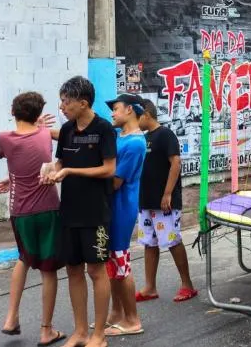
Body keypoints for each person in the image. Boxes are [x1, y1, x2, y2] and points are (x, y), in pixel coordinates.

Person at [45, 76, 117, 347]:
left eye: (66, 101)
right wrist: (51, 172)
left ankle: (98, 333)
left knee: (96, 271)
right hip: (70, 210)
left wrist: (71, 171)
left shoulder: (104, 129)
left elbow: (109, 169)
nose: (62, 106)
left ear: (83, 103)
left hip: (96, 211)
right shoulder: (66, 130)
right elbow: (61, 160)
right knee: (73, 270)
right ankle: (80, 331)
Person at [0, 92, 66, 345]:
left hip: (20, 211)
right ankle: (46, 330)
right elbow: (45, 149)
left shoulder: (3, 137)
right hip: (48, 208)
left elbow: (11, 158)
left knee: (23, 258)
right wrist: (40, 127)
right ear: (38, 115)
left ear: (13, 112)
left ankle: (11, 317)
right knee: (48, 270)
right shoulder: (46, 134)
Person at [135, 99, 197, 304]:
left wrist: (167, 193)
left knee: (172, 240)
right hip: (146, 200)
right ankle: (150, 287)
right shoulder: (144, 138)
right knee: (149, 243)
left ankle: (187, 285)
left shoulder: (165, 135)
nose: (135, 122)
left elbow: (176, 163)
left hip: (164, 202)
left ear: (146, 114)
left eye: (137, 117)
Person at [100, 94, 147, 337]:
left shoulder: (135, 143)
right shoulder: (122, 137)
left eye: (116, 109)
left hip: (121, 208)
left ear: (129, 110)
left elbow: (115, 182)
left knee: (120, 263)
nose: (113, 114)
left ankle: (132, 319)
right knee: (112, 263)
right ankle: (116, 314)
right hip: (114, 207)